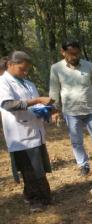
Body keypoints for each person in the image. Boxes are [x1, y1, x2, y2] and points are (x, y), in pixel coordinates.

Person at [49, 39, 92, 177]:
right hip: (71, 112)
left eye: (77, 53)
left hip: (91, 110)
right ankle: (83, 166)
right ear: (63, 52)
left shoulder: (89, 66)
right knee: (76, 142)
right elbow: (54, 91)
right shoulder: (56, 68)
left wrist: (91, 100)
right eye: (71, 54)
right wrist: (54, 110)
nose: (74, 57)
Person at [0, 51, 54, 212]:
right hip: (19, 133)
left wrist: (47, 109)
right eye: (21, 69)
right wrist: (37, 100)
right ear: (10, 65)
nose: (25, 73)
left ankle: (44, 196)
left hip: (34, 130)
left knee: (39, 166)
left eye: (27, 70)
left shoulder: (29, 84)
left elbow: (35, 105)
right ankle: (34, 200)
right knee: (29, 169)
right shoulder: (3, 82)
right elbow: (8, 104)